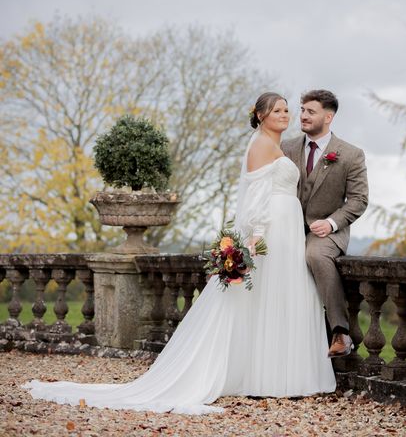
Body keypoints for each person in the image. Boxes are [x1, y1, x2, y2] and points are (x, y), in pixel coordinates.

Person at [22, 92, 336, 414]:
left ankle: (278, 374)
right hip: (270, 230)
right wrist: (254, 239)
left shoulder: (276, 146)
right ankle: (266, 377)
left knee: (280, 296)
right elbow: (255, 198)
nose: (285, 115)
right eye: (277, 111)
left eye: (286, 110)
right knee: (266, 298)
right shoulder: (260, 145)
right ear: (260, 115)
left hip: (286, 228)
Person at [282, 90, 368, 358]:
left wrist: (331, 223)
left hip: (327, 233)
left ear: (328, 117)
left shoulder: (351, 154)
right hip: (288, 225)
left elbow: (359, 199)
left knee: (316, 255)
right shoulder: (286, 148)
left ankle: (340, 332)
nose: (303, 116)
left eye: (311, 111)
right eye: (302, 110)